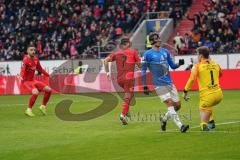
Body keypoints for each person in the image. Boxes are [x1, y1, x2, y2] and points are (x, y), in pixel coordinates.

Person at [142, 33, 189, 133]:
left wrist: (179, 64)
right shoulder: (147, 54)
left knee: (178, 106)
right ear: (152, 42)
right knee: (169, 103)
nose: (160, 40)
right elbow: (143, 70)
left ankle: (163, 120)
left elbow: (172, 66)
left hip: (169, 82)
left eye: (159, 38)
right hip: (158, 84)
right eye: (157, 39)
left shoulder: (165, 51)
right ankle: (181, 126)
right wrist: (144, 85)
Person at [183, 46, 223, 131]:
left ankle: (204, 125)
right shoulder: (216, 64)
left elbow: (191, 79)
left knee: (203, 108)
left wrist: (185, 91)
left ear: (201, 56)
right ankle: (211, 122)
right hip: (219, 94)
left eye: (197, 55)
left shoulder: (197, 66)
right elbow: (220, 75)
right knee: (208, 105)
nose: (197, 57)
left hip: (208, 96)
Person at [104, 38, 141, 125]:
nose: (131, 43)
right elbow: (139, 65)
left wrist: (107, 73)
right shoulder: (133, 52)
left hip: (119, 79)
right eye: (129, 42)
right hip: (129, 78)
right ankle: (123, 115)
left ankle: (126, 111)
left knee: (131, 94)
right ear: (127, 44)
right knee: (128, 95)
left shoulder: (116, 53)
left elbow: (105, 61)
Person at [20, 44, 52, 117]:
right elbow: (22, 70)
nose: (33, 51)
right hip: (26, 81)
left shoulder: (36, 58)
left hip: (33, 80)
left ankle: (43, 107)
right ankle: (29, 110)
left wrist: (48, 75)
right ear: (27, 51)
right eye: (31, 50)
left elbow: (40, 69)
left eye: (34, 50)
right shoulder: (25, 60)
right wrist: (21, 76)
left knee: (49, 90)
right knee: (35, 92)